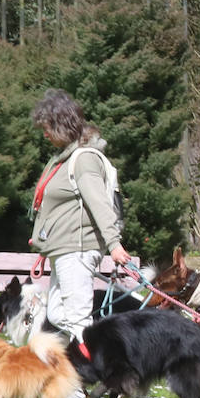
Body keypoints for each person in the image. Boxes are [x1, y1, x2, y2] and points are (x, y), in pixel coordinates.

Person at [28, 88, 131, 353]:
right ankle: (96, 358)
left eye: (48, 126)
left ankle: (80, 383)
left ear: (63, 125)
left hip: (78, 251)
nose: (44, 133)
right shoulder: (62, 158)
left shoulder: (83, 159)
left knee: (77, 320)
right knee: (56, 315)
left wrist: (115, 244)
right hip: (63, 250)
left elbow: (99, 204)